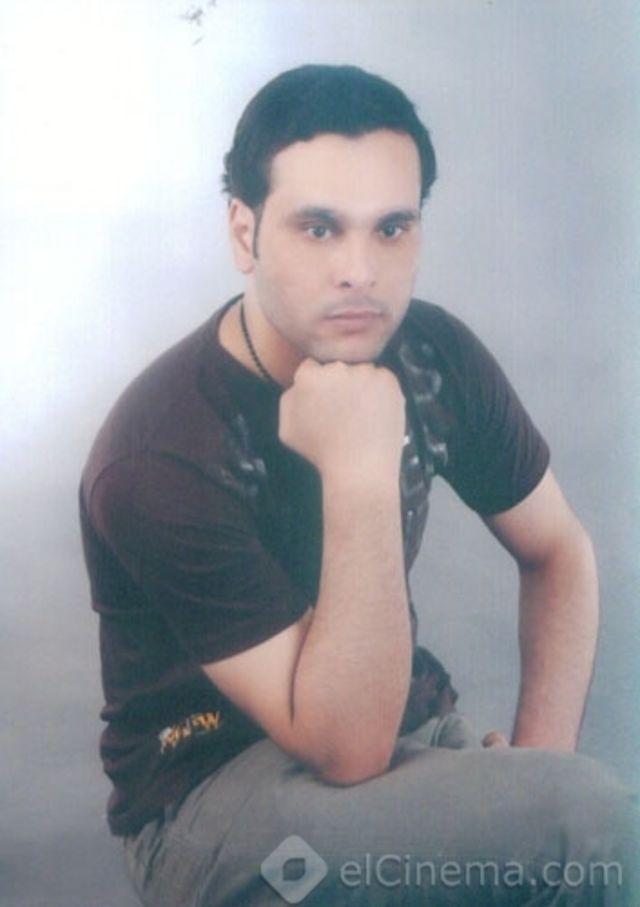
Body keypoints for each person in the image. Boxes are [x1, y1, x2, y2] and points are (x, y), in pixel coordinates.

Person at [80, 64, 638, 906]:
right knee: (596, 828)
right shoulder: (158, 453)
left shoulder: (434, 354)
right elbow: (346, 749)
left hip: (388, 723)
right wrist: (360, 468)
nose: (360, 271)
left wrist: (538, 762)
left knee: (574, 827)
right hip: (210, 797)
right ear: (244, 233)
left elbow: (558, 549)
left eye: (391, 229)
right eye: (318, 228)